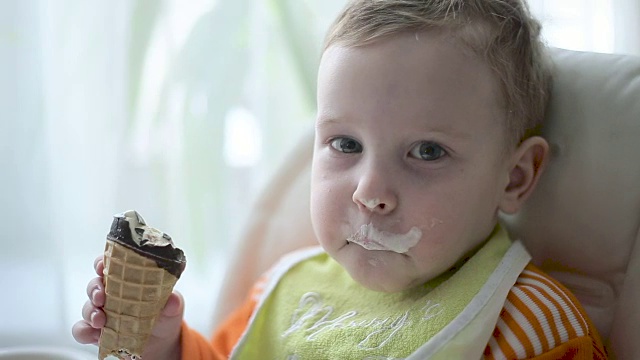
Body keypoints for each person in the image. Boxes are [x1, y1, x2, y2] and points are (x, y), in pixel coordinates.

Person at [73, 0, 608, 358]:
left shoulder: (532, 324)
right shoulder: (281, 291)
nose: (369, 191)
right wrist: (166, 345)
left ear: (513, 178)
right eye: (345, 144)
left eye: (426, 151)